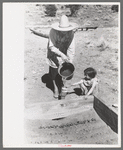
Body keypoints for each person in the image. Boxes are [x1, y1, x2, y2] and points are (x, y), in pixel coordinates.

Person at [30, 15, 78, 98]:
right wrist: (62, 55)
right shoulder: (53, 32)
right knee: (54, 71)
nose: (64, 32)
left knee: (64, 70)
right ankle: (55, 88)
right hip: (54, 53)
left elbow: (71, 48)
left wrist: (70, 61)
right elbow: (51, 47)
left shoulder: (71, 33)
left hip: (65, 52)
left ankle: (62, 87)